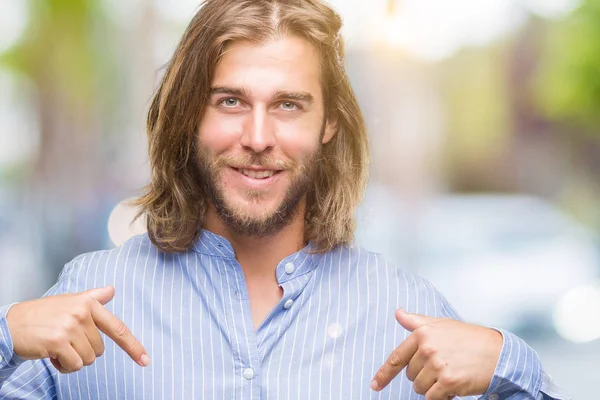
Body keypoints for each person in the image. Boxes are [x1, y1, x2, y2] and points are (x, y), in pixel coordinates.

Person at [0, 0, 568, 399]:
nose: (258, 136)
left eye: (289, 105)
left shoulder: (407, 315)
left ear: (329, 124)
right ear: (188, 115)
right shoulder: (89, 301)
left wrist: (508, 365)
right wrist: (6, 335)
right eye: (229, 101)